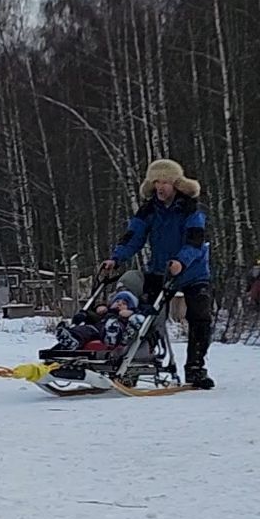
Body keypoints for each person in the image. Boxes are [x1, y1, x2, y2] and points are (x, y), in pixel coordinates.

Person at [99, 158, 215, 388]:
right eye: (156, 182)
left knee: (200, 317)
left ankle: (195, 367)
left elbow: (195, 241)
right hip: (160, 270)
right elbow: (133, 237)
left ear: (176, 184)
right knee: (145, 317)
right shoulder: (149, 210)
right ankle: (139, 360)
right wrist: (116, 258)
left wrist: (181, 262)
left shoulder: (191, 210)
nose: (160, 187)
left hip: (192, 272)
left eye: (165, 182)